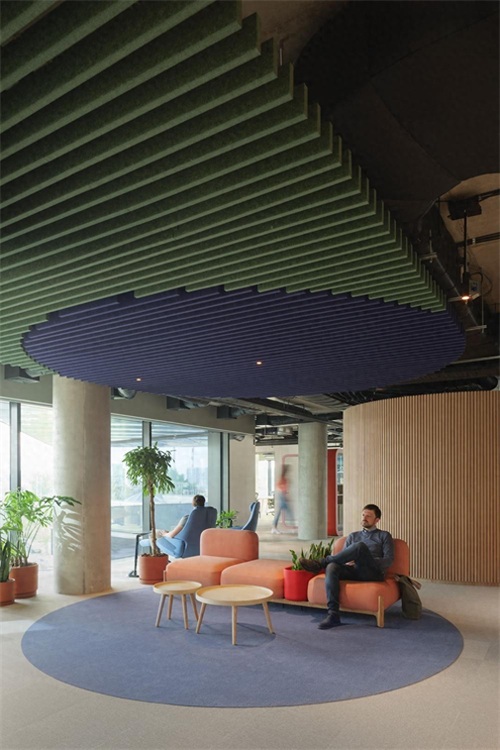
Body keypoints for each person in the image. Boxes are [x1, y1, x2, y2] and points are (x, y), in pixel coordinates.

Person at [300, 503, 394, 629]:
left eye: (369, 516)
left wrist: (363, 558)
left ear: (377, 520)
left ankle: (321, 563)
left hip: (372, 572)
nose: (364, 518)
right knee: (332, 566)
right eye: (363, 515)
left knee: (360, 547)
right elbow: (343, 558)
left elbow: (388, 560)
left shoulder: (384, 535)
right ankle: (333, 615)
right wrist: (349, 562)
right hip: (354, 571)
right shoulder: (353, 536)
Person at [271, 465, 290, 534]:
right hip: (282, 496)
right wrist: (283, 492)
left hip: (282, 495)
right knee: (288, 512)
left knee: (281, 512)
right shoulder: (283, 478)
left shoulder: (284, 478)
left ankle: (274, 528)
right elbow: (279, 486)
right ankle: (274, 528)